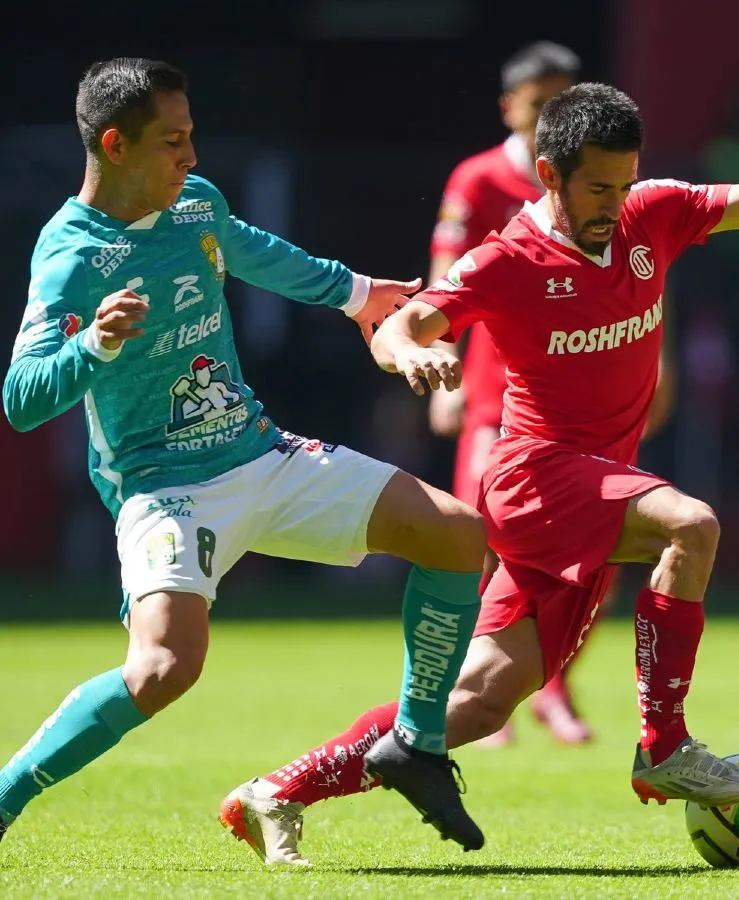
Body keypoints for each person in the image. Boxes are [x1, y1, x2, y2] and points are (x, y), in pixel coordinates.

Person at [218, 81, 739, 866]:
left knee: (477, 703)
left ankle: (274, 792)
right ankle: (665, 744)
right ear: (550, 174)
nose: (616, 205)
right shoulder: (509, 257)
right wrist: (412, 351)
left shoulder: (653, 212)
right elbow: (401, 325)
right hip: (537, 479)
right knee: (691, 526)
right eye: (598, 188)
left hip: (593, 486)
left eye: (624, 183)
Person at [0, 56, 489, 859]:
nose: (190, 156)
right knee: (162, 668)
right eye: (172, 141)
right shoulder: (71, 257)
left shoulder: (196, 202)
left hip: (262, 453)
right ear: (116, 145)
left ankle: (416, 744)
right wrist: (93, 345)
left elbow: (249, 248)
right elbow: (22, 399)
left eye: (191, 135)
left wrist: (355, 292)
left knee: (457, 534)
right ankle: (3, 798)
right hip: (164, 488)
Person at [427, 42, 675, 745]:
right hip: (497, 396)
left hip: (588, 393)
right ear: (511, 108)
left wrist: (665, 360)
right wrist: (440, 362)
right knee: (483, 540)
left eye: (560, 102)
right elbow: (448, 272)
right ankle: (469, 683)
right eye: (539, 105)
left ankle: (552, 686)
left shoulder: (604, 178)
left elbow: (646, 269)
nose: (549, 117)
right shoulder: (479, 178)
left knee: (602, 552)